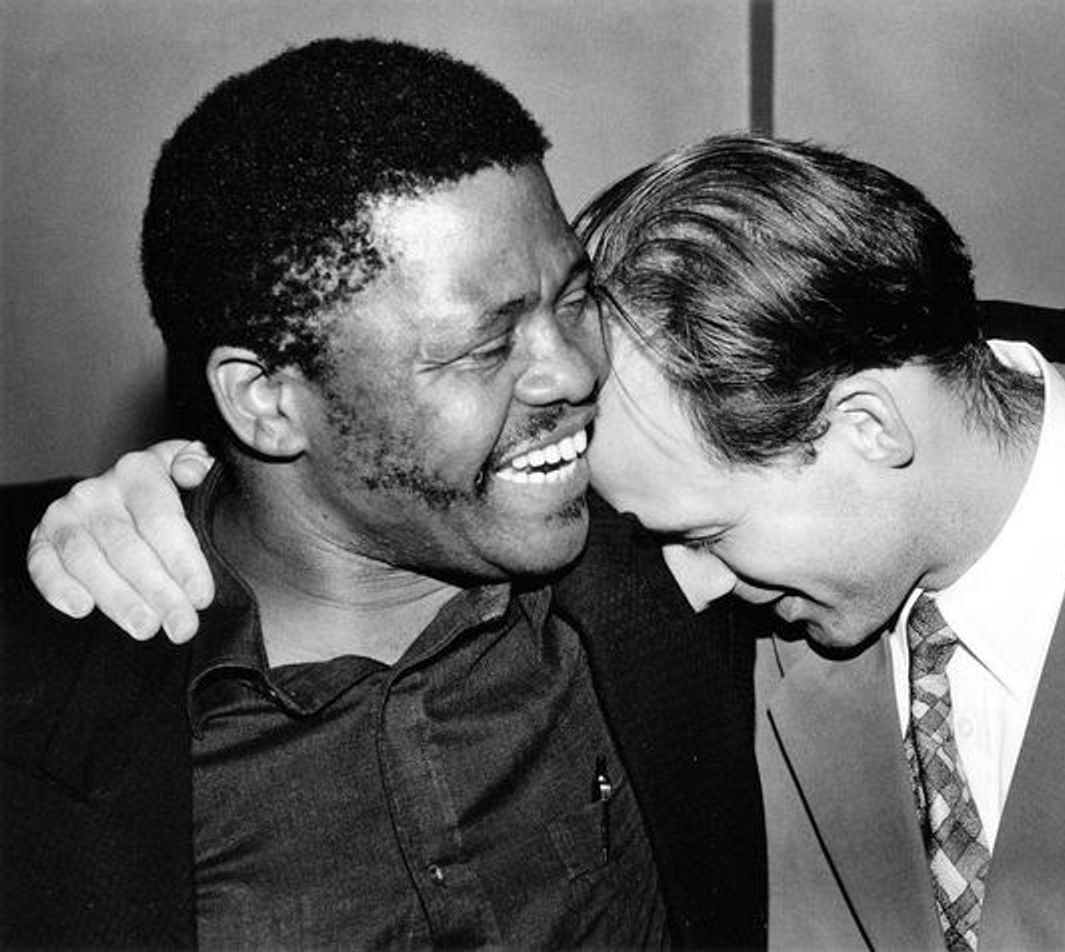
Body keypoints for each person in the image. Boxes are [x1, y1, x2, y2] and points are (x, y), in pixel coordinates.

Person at [31, 134, 1065, 950]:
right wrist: (180, 485)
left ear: (867, 430)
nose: (679, 582)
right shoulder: (763, 595)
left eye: (704, 528)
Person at [0, 40, 767, 950]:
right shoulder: (50, 706)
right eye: (482, 348)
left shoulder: (687, 561)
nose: (570, 370)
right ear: (267, 402)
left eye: (572, 298)